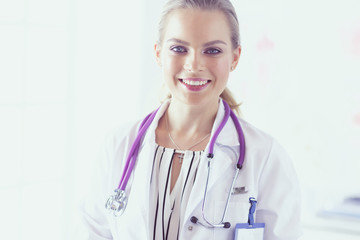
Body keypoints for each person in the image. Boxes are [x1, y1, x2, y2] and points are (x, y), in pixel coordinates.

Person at [81, 0, 302, 239]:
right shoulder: (119, 145)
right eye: (178, 49)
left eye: (213, 50)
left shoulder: (265, 157)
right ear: (158, 53)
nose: (194, 65)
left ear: (235, 57)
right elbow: (93, 232)